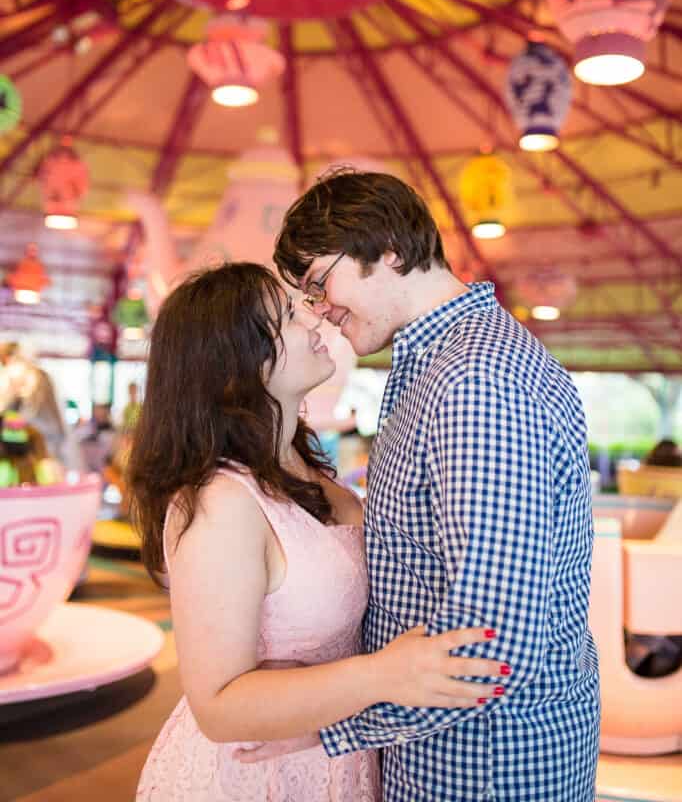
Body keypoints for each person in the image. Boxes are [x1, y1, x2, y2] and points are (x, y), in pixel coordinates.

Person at [269, 169, 600, 802]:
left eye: (319, 282)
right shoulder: (444, 365)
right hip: (451, 748)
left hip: (489, 761)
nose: (321, 309)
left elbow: (493, 638)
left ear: (388, 248)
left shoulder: (477, 380)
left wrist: (330, 726)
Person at [128, 263, 508, 801]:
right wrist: (384, 674)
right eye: (286, 315)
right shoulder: (222, 502)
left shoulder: (310, 471)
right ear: (237, 362)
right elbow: (218, 706)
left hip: (334, 751)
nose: (314, 316)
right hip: (258, 774)